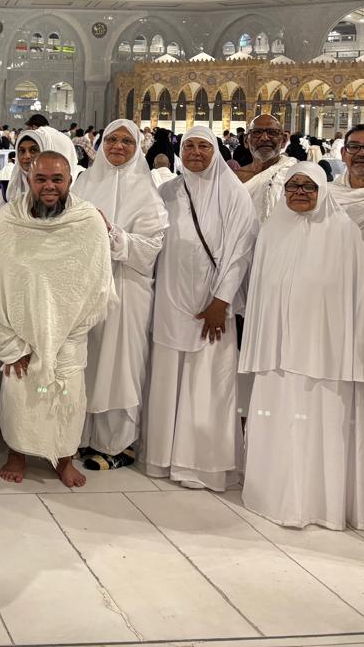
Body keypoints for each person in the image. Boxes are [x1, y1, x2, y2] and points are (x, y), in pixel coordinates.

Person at [239, 164, 364, 530]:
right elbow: (259, 292)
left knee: (321, 428)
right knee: (279, 422)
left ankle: (320, 505)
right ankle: (273, 496)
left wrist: (356, 349)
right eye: (293, 186)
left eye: (308, 187)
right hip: (277, 354)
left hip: (327, 355)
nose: (299, 192)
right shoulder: (272, 230)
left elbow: (362, 296)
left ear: (322, 191)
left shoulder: (344, 232)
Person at [0, 150, 113, 486]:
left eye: (57, 179)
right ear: (29, 179)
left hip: (70, 334)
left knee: (67, 397)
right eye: (40, 179)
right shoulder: (8, 221)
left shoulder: (87, 221)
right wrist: (10, 343)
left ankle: (63, 457)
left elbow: (99, 284)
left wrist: (71, 332)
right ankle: (17, 454)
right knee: (19, 398)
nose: (49, 186)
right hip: (20, 333)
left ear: (70, 180)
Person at [144, 124, 258, 491]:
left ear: (215, 152)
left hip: (211, 305)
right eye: (189, 146)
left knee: (208, 382)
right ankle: (162, 458)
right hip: (170, 299)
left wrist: (221, 301)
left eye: (203, 147)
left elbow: (240, 252)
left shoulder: (234, 193)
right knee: (168, 379)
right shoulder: (167, 191)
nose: (195, 153)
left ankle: (202, 465)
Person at [72, 120, 168, 469]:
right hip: (86, 287)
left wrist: (113, 235)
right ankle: (82, 436)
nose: (118, 146)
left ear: (137, 146)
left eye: (127, 141)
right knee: (88, 361)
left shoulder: (146, 190)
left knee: (121, 363)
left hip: (128, 287)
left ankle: (119, 443)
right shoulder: (85, 181)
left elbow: (151, 247)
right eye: (112, 139)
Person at [234, 114, 297, 223]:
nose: (264, 138)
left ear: (283, 141)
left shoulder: (295, 174)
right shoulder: (234, 178)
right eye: (256, 132)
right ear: (246, 141)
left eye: (272, 133)